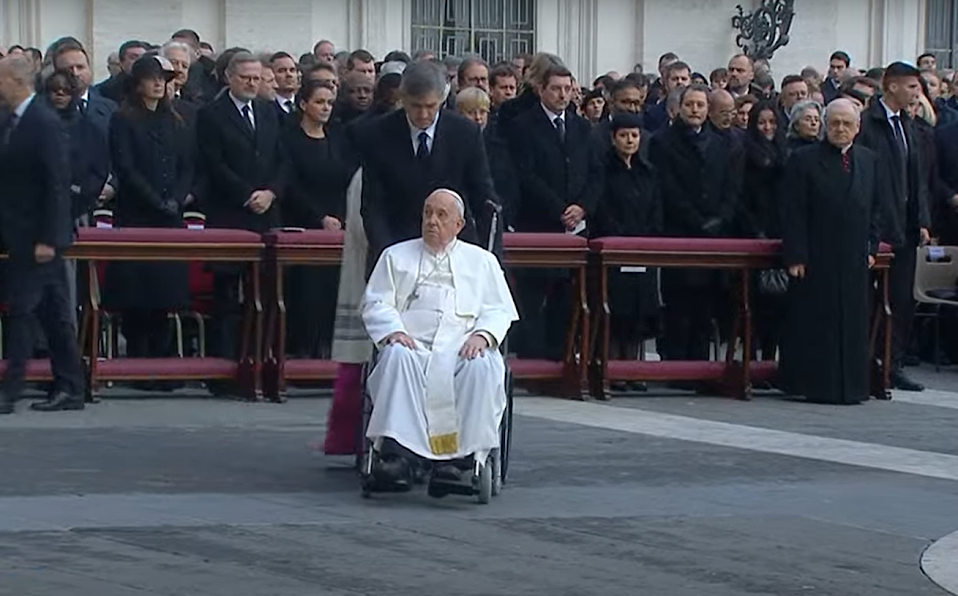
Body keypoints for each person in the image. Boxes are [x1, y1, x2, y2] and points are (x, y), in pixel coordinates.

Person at [361, 189, 518, 486]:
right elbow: (377, 302)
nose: (432, 221)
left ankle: (460, 462)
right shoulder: (395, 256)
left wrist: (483, 336)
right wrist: (394, 330)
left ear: (459, 225)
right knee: (396, 356)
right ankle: (398, 456)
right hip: (412, 345)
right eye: (427, 213)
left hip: (461, 348)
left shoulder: (482, 262)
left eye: (441, 215)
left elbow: (499, 309)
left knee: (481, 366)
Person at [780, 99, 884, 405]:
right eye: (835, 123)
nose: (840, 129)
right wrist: (795, 255)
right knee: (816, 323)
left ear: (858, 127)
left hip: (854, 256)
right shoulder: (803, 159)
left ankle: (852, 386)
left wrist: (871, 247)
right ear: (825, 125)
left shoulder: (868, 160)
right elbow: (793, 211)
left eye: (847, 124)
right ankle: (815, 385)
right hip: (816, 255)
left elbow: (877, 209)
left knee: (852, 323)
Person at [0, 55, 85, 414]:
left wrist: (50, 238)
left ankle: (11, 390)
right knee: (54, 316)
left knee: (21, 311)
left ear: (16, 81)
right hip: (18, 235)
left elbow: (56, 185)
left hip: (39, 239)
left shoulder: (43, 121)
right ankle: (71, 386)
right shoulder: (11, 121)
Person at [355, 60, 497, 263]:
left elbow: (483, 197)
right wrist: (389, 256)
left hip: (454, 252)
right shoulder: (376, 134)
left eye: (430, 106)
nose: (423, 115)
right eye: (415, 106)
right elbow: (373, 205)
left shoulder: (465, 133)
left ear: (442, 98)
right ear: (402, 98)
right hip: (396, 249)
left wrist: (484, 257)